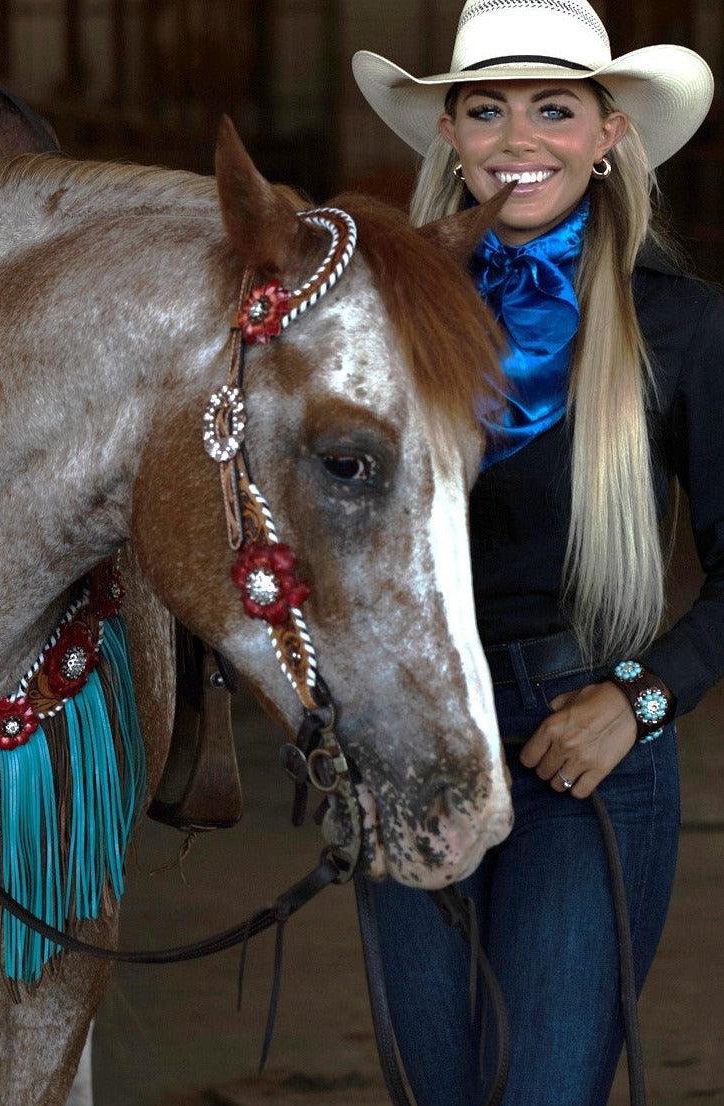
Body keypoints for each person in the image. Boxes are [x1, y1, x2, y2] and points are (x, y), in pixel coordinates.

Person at [351, 2, 720, 1103]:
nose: (516, 141)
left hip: (584, 746)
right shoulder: (365, 319)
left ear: (608, 134)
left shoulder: (680, 326)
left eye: (551, 109)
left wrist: (639, 699)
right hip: (403, 730)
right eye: (484, 111)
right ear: (448, 137)